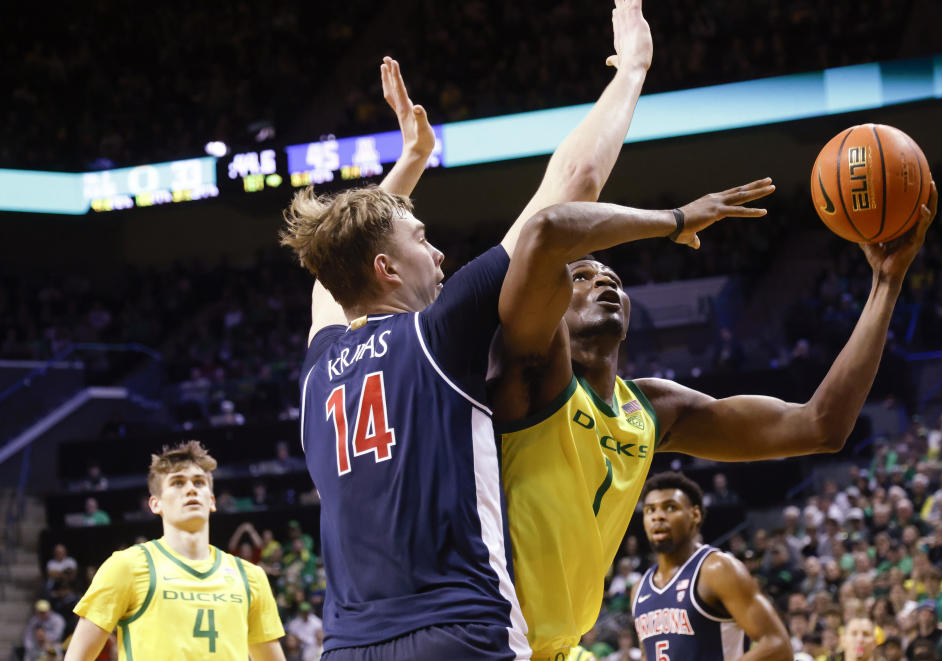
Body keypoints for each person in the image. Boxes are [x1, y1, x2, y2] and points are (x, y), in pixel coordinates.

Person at [284, 0, 663, 654]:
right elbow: (574, 183)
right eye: (420, 238)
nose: (437, 254)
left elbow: (330, 278)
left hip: (348, 645)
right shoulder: (438, 332)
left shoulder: (319, 368)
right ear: (385, 268)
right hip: (458, 631)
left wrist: (410, 164)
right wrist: (631, 69)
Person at [490, 122, 938, 657]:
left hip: (563, 647)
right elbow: (545, 230)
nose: (604, 281)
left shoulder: (652, 408)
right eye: (582, 277)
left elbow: (821, 426)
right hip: (495, 638)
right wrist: (673, 220)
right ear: (552, 304)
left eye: (613, 278)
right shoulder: (530, 373)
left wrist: (886, 283)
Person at [63, 441, 285, 661]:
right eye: (178, 483)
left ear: (212, 501)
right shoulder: (126, 567)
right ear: (155, 504)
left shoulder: (250, 577)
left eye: (199, 483)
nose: (191, 489)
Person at [631, 473, 790, 660]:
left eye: (670, 507)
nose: (658, 517)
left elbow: (777, 644)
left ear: (695, 514)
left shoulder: (717, 568)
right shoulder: (639, 589)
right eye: (650, 510)